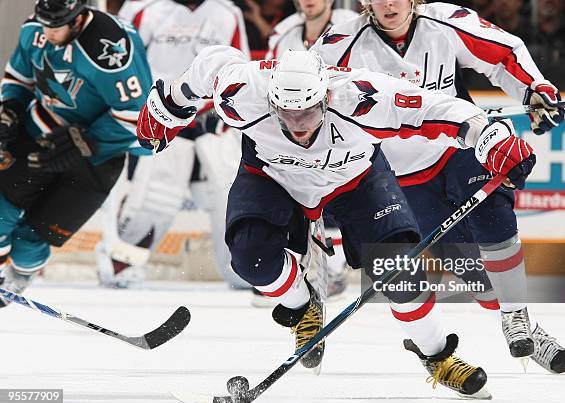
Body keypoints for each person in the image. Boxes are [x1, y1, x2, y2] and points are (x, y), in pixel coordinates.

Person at [135, 44, 537, 396]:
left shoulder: (365, 95)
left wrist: (492, 139)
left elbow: (438, 109)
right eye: (286, 114)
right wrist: (167, 106)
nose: (298, 125)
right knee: (250, 257)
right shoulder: (244, 91)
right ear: (271, 100)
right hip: (273, 175)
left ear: (325, 96)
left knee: (401, 270)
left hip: (355, 178)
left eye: (308, 112)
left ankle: (437, 357)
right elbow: (209, 66)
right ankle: (303, 301)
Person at [311, 0, 565, 374]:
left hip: (461, 146)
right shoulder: (338, 46)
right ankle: (525, 327)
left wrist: (534, 89)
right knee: (478, 277)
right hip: (401, 178)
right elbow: (307, 104)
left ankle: (516, 316)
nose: (389, 3)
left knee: (494, 215)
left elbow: (503, 54)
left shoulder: (446, 22)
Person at [0, 0, 151, 303]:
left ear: (79, 18)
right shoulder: (36, 29)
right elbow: (18, 79)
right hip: (40, 130)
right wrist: (10, 109)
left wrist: (85, 140)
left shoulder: (111, 51)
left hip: (99, 156)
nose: (49, 32)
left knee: (31, 242)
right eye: (45, 23)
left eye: (56, 26)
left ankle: (18, 280)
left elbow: (137, 116)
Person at [94, 0, 251, 289]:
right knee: (154, 199)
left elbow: (242, 70)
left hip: (211, 119)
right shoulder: (143, 8)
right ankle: (121, 262)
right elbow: (122, 65)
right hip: (160, 118)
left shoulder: (228, 13)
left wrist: (226, 111)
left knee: (230, 196)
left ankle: (245, 270)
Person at [245, 0, 358, 304]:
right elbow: (264, 83)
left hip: (338, 129)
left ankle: (334, 268)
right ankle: (303, 268)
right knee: (291, 195)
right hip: (294, 129)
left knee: (342, 194)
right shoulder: (284, 32)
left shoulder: (351, 25)